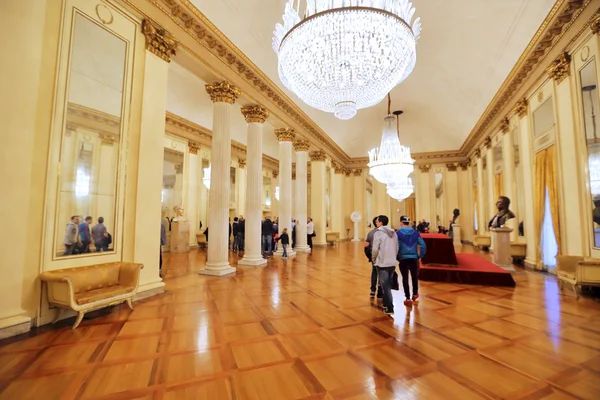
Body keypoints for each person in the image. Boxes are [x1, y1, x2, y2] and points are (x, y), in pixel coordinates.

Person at [397, 216, 427, 307]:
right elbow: (423, 246)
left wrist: (397, 256)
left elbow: (396, 247)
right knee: (414, 277)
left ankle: (408, 298)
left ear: (401, 222)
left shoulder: (398, 233)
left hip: (403, 258)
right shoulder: (415, 233)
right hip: (414, 258)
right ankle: (415, 293)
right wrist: (419, 256)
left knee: (405, 278)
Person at [371, 215, 399, 315]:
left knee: (385, 286)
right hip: (392, 262)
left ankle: (390, 307)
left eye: (377, 221)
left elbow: (375, 248)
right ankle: (385, 304)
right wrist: (393, 258)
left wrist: (373, 258)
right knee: (387, 284)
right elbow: (396, 247)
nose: (376, 223)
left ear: (381, 222)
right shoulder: (394, 233)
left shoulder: (378, 233)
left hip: (382, 262)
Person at [364, 217, 382, 299]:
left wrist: (369, 256)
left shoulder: (370, 233)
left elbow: (366, 247)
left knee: (374, 272)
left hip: (373, 256)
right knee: (382, 273)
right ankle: (380, 291)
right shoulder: (387, 233)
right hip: (382, 256)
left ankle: (373, 290)